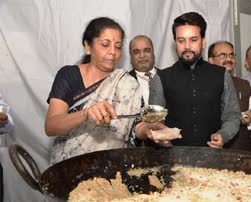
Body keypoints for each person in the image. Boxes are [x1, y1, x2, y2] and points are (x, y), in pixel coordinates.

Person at [45, 17, 167, 165]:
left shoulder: (127, 83)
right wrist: (85, 113)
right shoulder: (69, 75)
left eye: (118, 46)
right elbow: (51, 126)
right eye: (105, 45)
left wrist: (149, 128)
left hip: (113, 169)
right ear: (88, 46)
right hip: (69, 166)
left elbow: (136, 128)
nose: (112, 52)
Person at [149, 12, 240, 148]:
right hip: (172, 158)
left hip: (213, 158)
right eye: (181, 40)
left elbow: (232, 115)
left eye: (193, 40)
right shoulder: (161, 78)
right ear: (175, 43)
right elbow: (154, 121)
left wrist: (223, 135)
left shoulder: (222, 75)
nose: (187, 46)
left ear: (203, 41)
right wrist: (161, 136)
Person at [208, 41, 251, 151]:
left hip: (240, 153)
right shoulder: (201, 85)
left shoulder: (245, 85)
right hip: (210, 152)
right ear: (211, 60)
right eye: (223, 55)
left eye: (231, 55)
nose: (229, 59)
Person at [129, 35, 158, 105]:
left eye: (147, 50)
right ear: (131, 56)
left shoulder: (168, 77)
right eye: (136, 52)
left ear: (153, 53)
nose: (142, 56)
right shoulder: (122, 82)